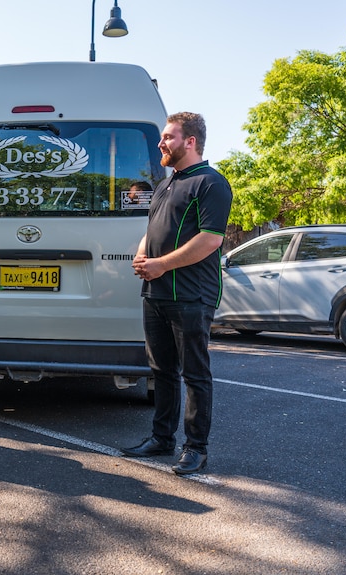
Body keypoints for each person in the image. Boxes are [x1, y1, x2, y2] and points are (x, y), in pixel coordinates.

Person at [123, 112, 233, 475]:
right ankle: (161, 438)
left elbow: (210, 239)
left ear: (190, 142)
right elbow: (153, 228)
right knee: (161, 371)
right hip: (155, 293)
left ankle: (196, 448)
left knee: (195, 374)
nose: (161, 143)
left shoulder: (211, 183)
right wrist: (143, 253)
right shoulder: (166, 184)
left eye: (168, 137)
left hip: (191, 296)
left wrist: (162, 265)